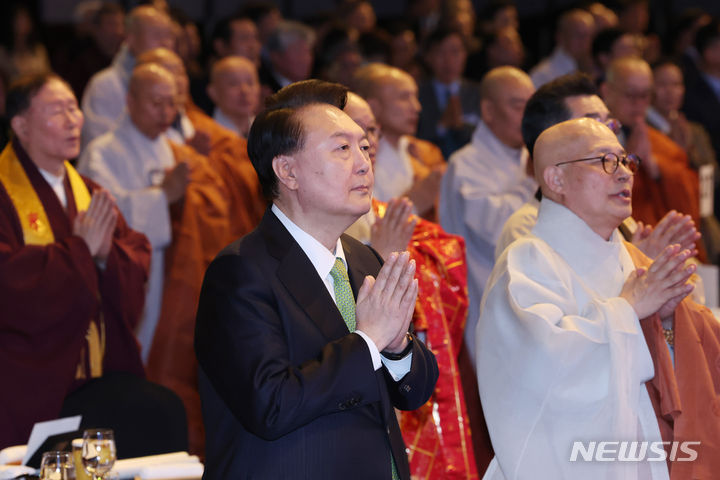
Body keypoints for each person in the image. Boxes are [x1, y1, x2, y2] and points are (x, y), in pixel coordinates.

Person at [195, 82, 438, 479]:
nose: (363, 163)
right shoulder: (240, 272)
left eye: (363, 147)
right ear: (287, 171)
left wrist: (397, 346)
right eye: (342, 148)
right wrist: (369, 340)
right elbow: (271, 405)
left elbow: (415, 392)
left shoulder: (363, 258)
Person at [478, 117, 692, 479]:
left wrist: (665, 324)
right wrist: (629, 311)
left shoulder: (627, 257)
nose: (624, 173)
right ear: (556, 179)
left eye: (626, 161)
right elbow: (542, 372)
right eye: (605, 160)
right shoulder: (527, 261)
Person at [0, 72, 185, 455]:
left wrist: (105, 257)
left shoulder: (90, 192)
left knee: (157, 413)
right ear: (20, 125)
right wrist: (78, 252)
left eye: (73, 108)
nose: (73, 120)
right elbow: (8, 278)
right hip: (24, 378)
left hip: (95, 372)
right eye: (56, 111)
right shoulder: (4, 195)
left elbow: (135, 252)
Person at [343, 90, 478, 479]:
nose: (367, 146)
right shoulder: (311, 227)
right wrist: (380, 257)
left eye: (371, 133)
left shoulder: (385, 213)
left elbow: (446, 277)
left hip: (407, 379)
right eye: (350, 136)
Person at [439, 66, 536, 369]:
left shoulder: (526, 158)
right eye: (518, 105)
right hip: (485, 298)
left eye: (530, 106)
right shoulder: (464, 164)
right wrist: (532, 180)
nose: (527, 116)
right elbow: (499, 232)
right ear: (488, 110)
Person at [601, 56, 706, 260]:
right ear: (607, 91)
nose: (639, 104)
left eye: (645, 96)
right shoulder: (592, 142)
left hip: (661, 246)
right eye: (631, 94)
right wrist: (628, 164)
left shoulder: (660, 143)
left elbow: (692, 194)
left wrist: (656, 167)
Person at [352, 63, 445, 221]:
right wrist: (413, 203)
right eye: (404, 98)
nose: (417, 107)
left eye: (415, 97)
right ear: (373, 106)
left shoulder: (424, 152)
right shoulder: (359, 157)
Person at [81, 5, 174, 145]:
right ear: (130, 39)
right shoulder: (104, 85)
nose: (166, 43)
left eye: (169, 35)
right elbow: (100, 146)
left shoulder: (173, 82)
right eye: (157, 35)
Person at [529, 8, 595, 87]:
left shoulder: (593, 69)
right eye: (579, 35)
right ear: (560, 37)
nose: (586, 41)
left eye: (589, 35)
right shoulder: (542, 76)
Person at [207, 55, 261, 138]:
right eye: (233, 84)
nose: (245, 91)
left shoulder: (269, 131)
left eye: (250, 83)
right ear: (213, 92)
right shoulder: (207, 135)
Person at [258, 20, 315, 93]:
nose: (306, 58)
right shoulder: (264, 92)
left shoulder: (315, 89)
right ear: (276, 56)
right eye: (298, 52)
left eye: (308, 51)